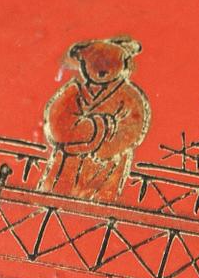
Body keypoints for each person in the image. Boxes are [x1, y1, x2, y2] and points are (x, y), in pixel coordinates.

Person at [38, 37, 149, 200]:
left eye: (110, 63)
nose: (102, 70)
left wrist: (104, 150)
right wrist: (98, 127)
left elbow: (131, 129)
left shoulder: (129, 97)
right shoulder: (74, 92)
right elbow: (58, 125)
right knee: (57, 202)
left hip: (106, 165)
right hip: (69, 163)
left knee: (97, 205)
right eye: (96, 63)